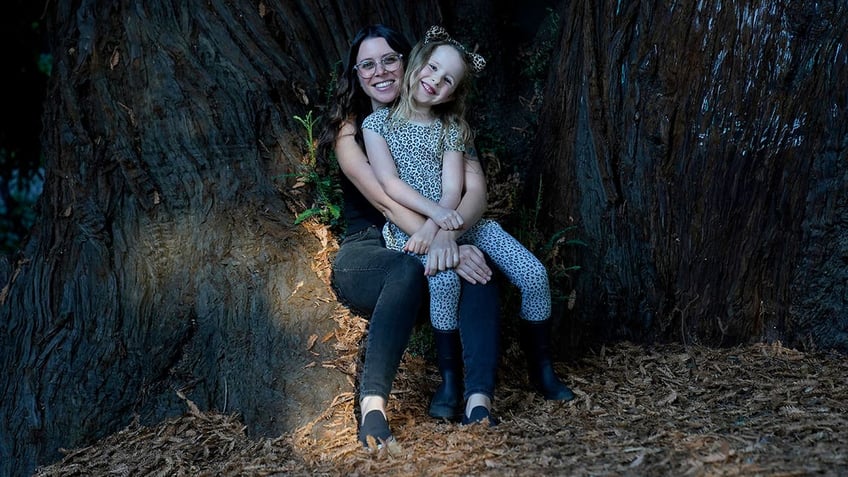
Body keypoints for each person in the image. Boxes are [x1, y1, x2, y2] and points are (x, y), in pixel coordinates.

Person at [362, 26, 574, 413]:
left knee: (534, 275)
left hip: (458, 222)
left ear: (454, 92)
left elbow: (452, 190)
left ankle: (541, 369)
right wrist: (433, 222)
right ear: (416, 64)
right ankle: (449, 382)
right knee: (443, 281)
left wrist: (441, 226)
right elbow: (390, 184)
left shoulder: (452, 129)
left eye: (447, 80)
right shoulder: (378, 125)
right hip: (415, 233)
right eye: (431, 69)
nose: (434, 82)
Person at [318, 24, 502, 449]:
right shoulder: (353, 128)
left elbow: (475, 191)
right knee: (408, 267)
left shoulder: (443, 119)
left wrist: (449, 239)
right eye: (367, 64)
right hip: (371, 248)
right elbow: (384, 201)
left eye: (389, 59)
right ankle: (373, 409)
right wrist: (444, 243)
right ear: (356, 73)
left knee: (478, 267)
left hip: (433, 236)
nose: (379, 71)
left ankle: (478, 402)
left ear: (408, 61)